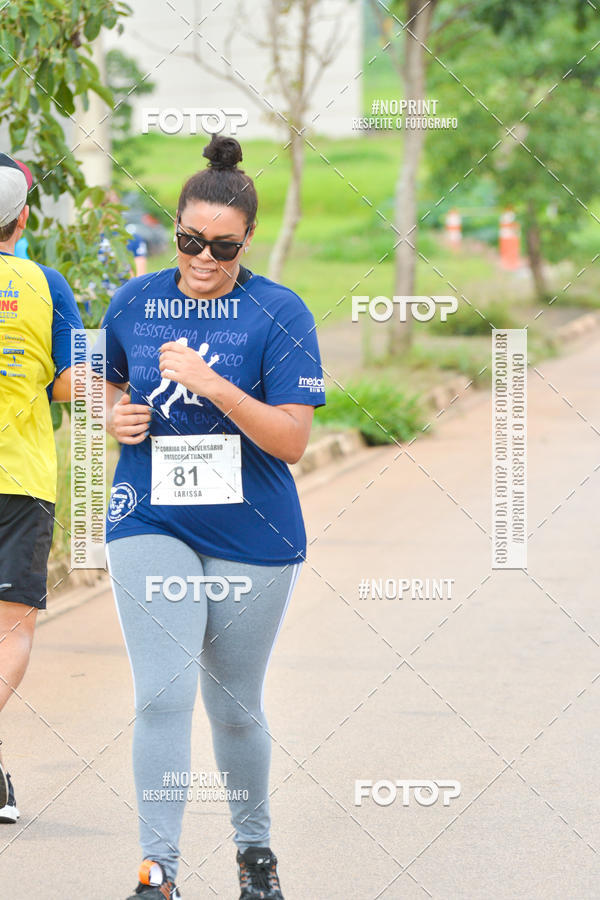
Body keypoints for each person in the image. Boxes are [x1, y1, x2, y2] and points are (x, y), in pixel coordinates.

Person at [102, 134, 325, 900]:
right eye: (191, 241)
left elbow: (292, 440)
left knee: (233, 706)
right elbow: (105, 383)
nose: (203, 259)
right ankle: (155, 871)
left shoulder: (278, 311)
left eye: (222, 247)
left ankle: (253, 858)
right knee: (161, 693)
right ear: (175, 232)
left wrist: (214, 385)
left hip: (252, 530)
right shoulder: (134, 299)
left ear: (247, 240)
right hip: (150, 517)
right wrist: (115, 416)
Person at [0, 153, 84, 823]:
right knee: (9, 631)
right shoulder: (47, 283)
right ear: (23, 218)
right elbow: (72, 386)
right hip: (20, 480)